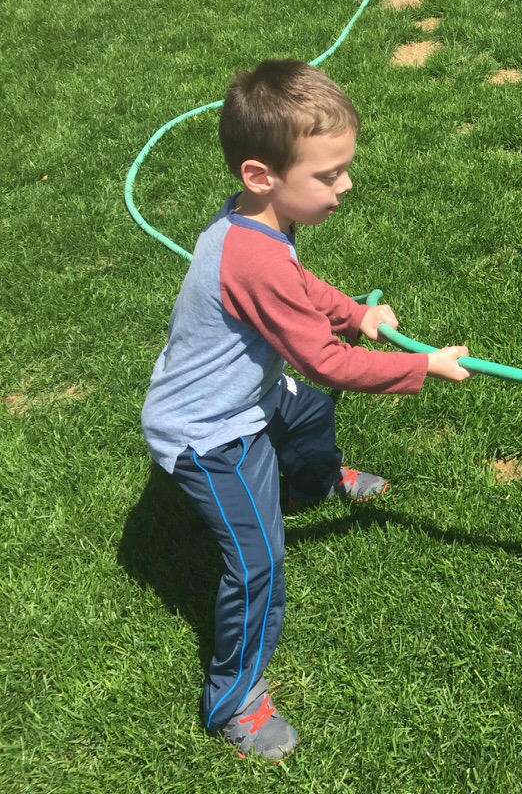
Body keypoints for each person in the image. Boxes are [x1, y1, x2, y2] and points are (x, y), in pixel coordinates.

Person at [141, 59, 473, 762]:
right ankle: (234, 703)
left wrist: (355, 312)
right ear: (261, 175)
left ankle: (314, 483)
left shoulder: (260, 224)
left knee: (310, 415)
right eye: (329, 174)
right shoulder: (251, 257)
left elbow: (299, 287)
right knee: (257, 563)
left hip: (253, 395)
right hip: (211, 434)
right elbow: (326, 361)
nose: (345, 184)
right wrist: (423, 366)